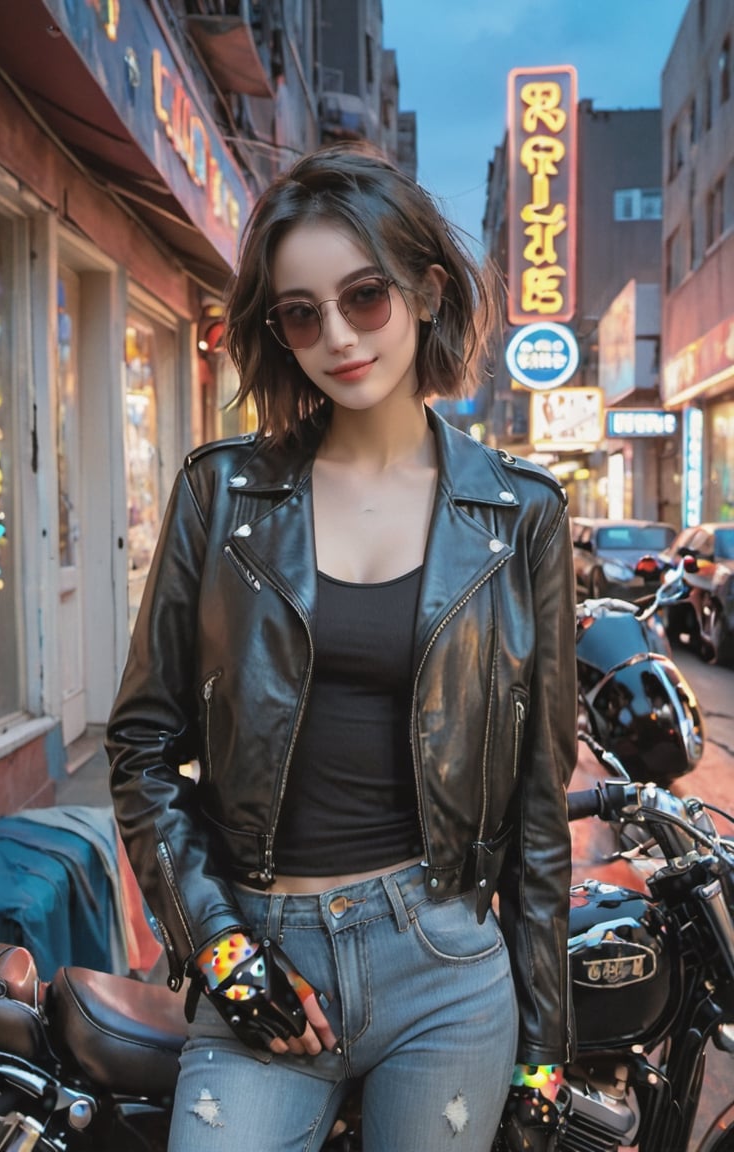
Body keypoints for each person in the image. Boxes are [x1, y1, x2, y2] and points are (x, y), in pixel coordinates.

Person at [106, 141, 577, 1152]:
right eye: (301, 312)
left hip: (444, 963)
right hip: (262, 938)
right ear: (276, 329)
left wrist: (546, 1048)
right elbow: (142, 749)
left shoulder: (521, 514)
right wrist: (221, 953)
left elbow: (540, 810)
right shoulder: (219, 493)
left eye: (365, 297)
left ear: (427, 290)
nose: (338, 337)